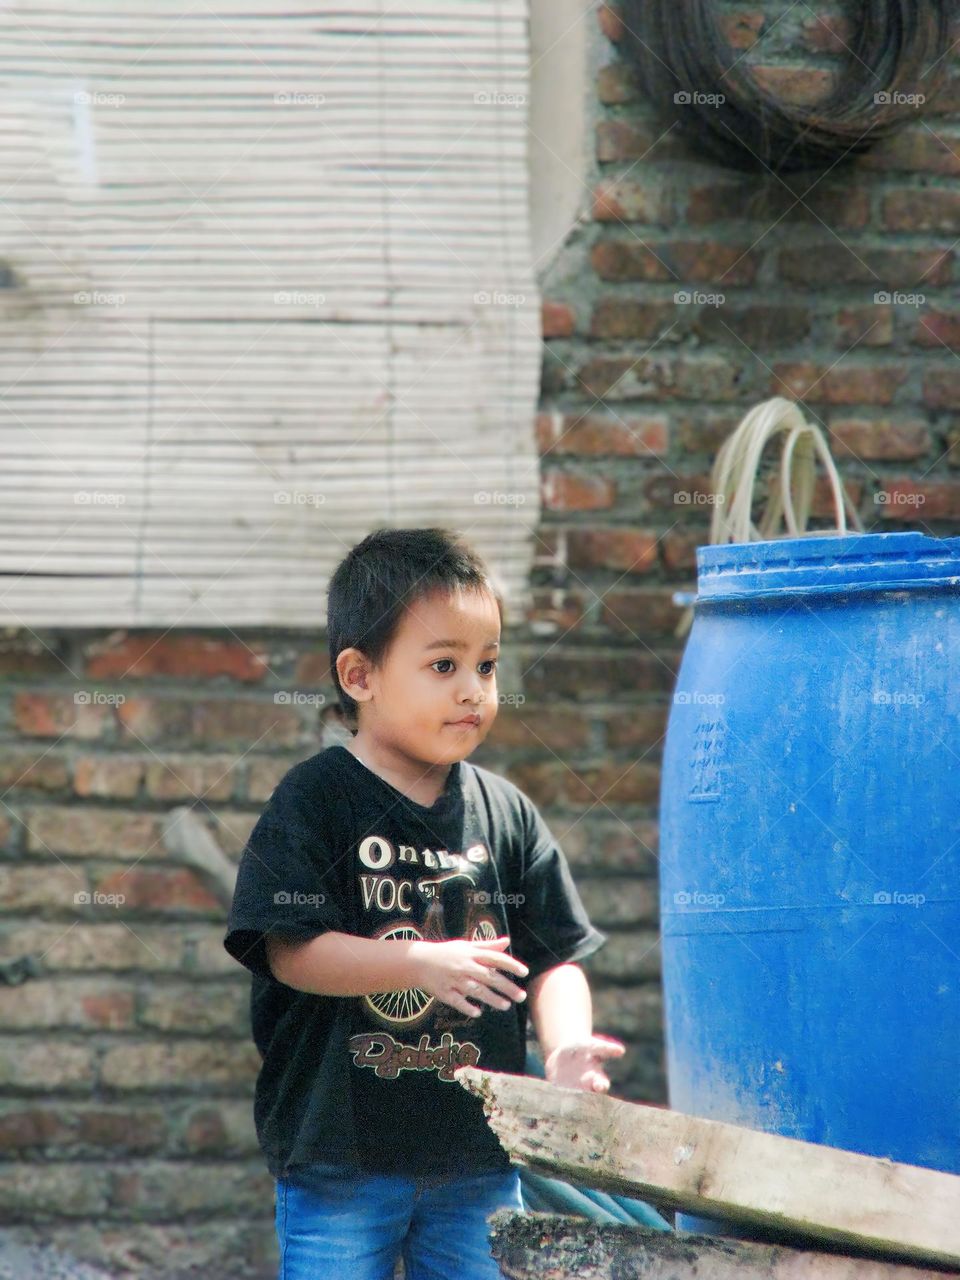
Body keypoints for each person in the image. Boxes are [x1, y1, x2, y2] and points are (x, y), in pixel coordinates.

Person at [224, 526, 626, 1280]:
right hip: (340, 1158)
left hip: (476, 1159)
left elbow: (555, 957)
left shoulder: (505, 814)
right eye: (444, 665)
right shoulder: (317, 801)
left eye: (487, 665)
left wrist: (566, 1047)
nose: (473, 689)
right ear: (360, 675)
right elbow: (291, 951)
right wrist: (416, 964)